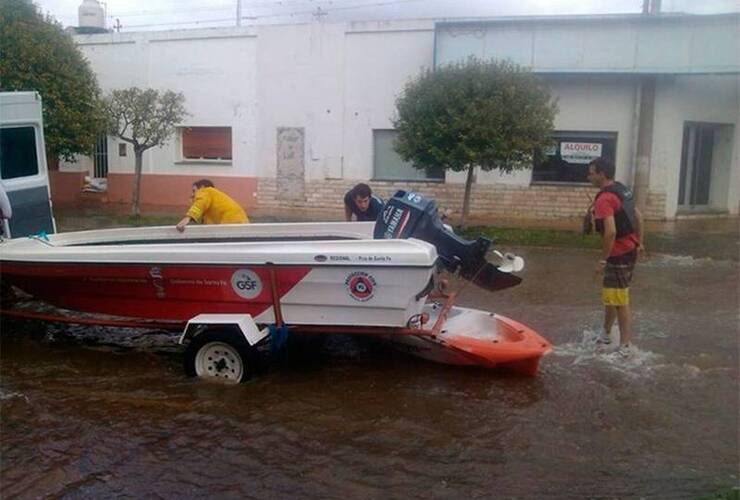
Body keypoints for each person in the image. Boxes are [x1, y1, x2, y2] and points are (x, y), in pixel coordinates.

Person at [586, 157, 644, 354]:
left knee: (619, 299)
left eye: (591, 173)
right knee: (611, 294)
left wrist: (603, 260)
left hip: (618, 254)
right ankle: (606, 333)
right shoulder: (621, 189)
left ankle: (625, 345)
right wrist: (640, 242)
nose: (589, 176)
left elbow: (610, 232)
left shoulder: (604, 199)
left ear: (601, 174)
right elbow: (638, 217)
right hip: (629, 249)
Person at [176, 179, 249, 232]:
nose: (192, 195)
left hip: (231, 223)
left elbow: (201, 203)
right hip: (241, 224)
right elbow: (209, 226)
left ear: (202, 187)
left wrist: (187, 218)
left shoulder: (206, 190)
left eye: (194, 191)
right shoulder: (213, 202)